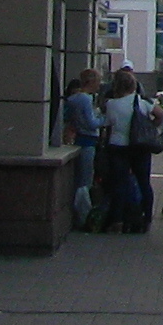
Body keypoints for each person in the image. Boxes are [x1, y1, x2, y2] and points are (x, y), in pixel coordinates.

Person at [98, 70, 154, 233]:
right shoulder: (141, 101)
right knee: (144, 182)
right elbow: (159, 114)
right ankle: (146, 218)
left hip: (117, 147)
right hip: (140, 146)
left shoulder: (111, 104)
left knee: (119, 184)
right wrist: (150, 127)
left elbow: (106, 124)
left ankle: (118, 220)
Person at [59, 71, 105, 230]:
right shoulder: (86, 99)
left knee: (80, 179)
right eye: (98, 81)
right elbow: (91, 123)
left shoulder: (73, 99)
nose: (99, 85)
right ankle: (84, 215)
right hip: (89, 140)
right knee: (85, 180)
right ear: (90, 82)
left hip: (79, 138)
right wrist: (105, 120)